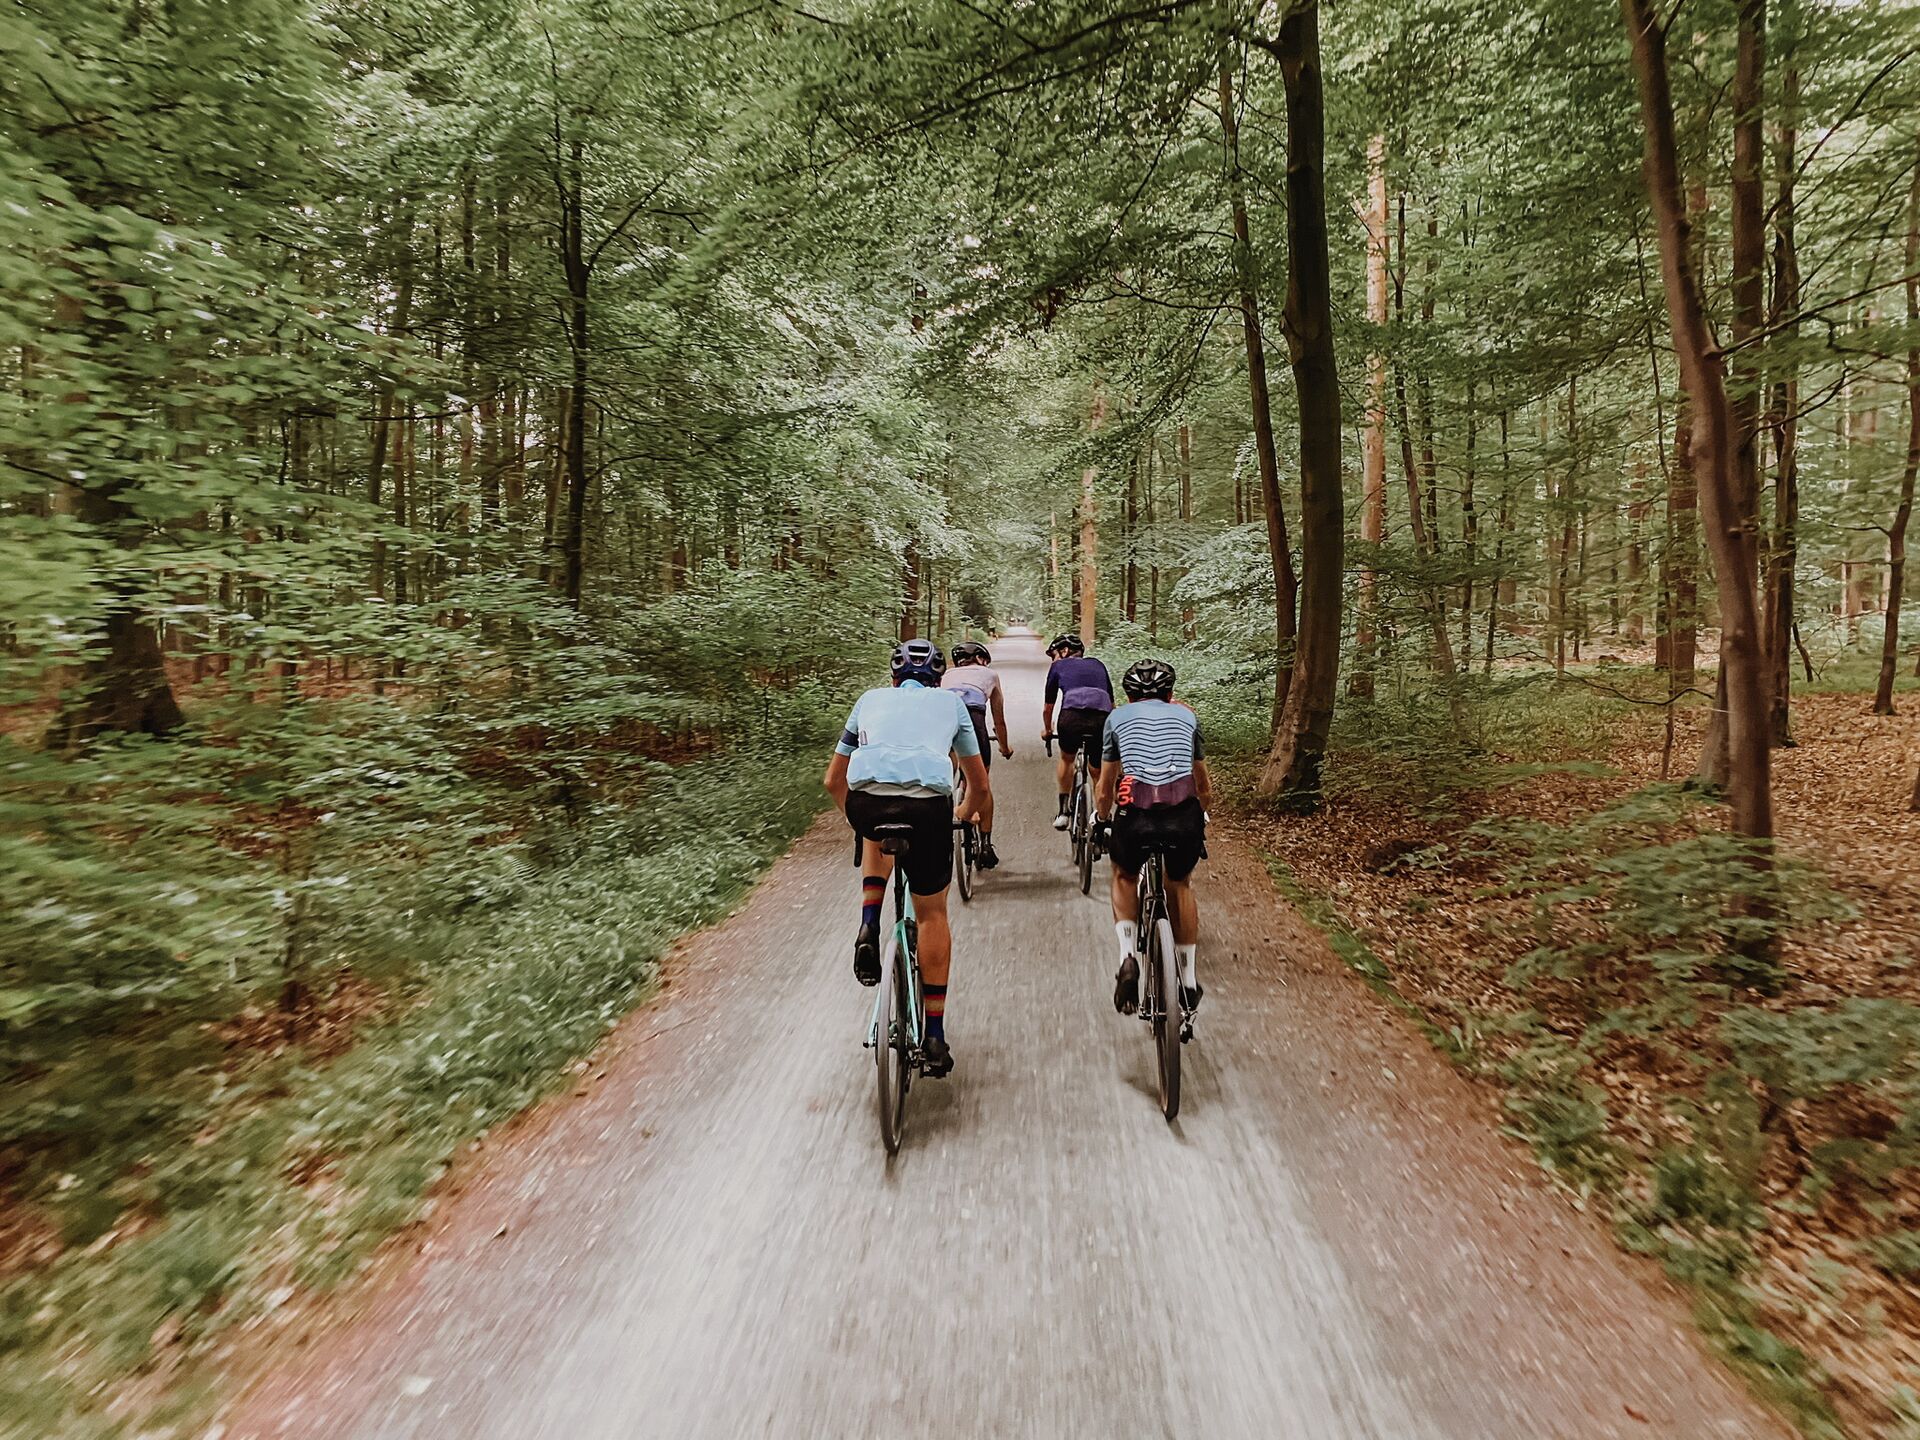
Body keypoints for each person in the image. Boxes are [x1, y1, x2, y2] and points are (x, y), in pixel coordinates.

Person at [823, 638, 988, 1078]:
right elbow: (980, 786)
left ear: (893, 678)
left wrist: (857, 821)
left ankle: (869, 925)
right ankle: (934, 1034)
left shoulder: (869, 700)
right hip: (927, 808)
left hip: (868, 803)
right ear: (939, 679)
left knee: (876, 832)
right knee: (932, 914)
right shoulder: (952, 706)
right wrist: (965, 813)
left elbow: (833, 780)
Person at [1095, 659, 1210, 1017]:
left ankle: (1128, 956)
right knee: (1180, 884)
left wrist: (1102, 820)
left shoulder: (1115, 719)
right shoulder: (1188, 717)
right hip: (1181, 814)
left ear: (1128, 696)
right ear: (1170, 693)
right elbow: (1203, 784)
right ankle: (1188, 980)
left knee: (1124, 875)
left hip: (1137, 815)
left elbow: (1105, 786)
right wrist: (1202, 815)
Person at [943, 640, 1013, 868]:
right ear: (982, 659)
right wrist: (1004, 747)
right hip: (973, 720)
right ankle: (985, 843)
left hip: (944, 721)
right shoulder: (989, 674)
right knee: (981, 781)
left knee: (947, 770)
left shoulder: (945, 675)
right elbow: (999, 719)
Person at [1040, 633, 1113, 831]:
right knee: (1097, 770)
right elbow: (1111, 704)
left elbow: (1048, 707)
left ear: (1064, 652)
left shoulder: (1058, 666)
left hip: (1071, 716)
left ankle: (1064, 812)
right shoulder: (1098, 664)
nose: (1053, 660)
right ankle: (1103, 819)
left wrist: (1048, 730)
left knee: (1067, 758)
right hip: (1102, 717)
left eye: (1053, 655)